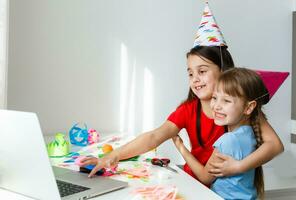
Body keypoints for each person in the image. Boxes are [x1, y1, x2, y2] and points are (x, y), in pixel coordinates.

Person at [81, 2, 283, 180]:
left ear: (224, 72)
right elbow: (153, 137)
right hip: (194, 183)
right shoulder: (188, 110)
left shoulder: (239, 110)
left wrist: (240, 166)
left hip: (225, 190)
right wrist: (111, 156)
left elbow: (274, 144)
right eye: (190, 73)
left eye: (202, 71)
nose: (195, 79)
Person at [173, 67, 268, 199]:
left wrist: (180, 146)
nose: (216, 106)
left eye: (226, 101)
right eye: (215, 98)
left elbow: (205, 177)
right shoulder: (250, 133)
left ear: (248, 107)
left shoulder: (228, 140)